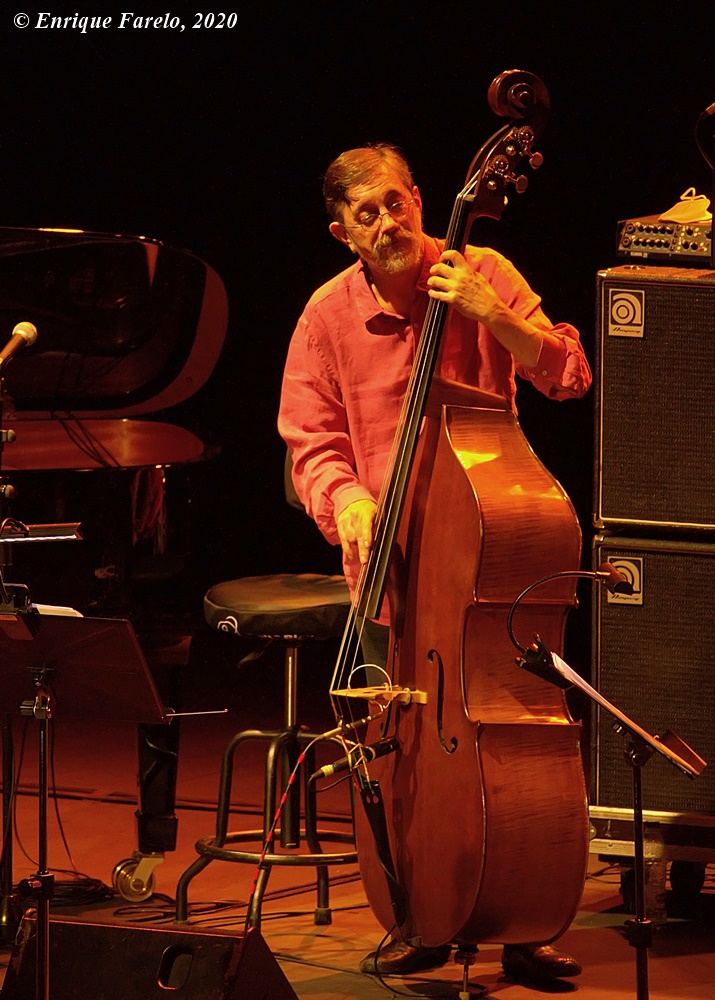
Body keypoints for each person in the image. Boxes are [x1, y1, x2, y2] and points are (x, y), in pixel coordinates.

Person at [278, 143, 591, 983]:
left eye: (394, 201)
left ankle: (520, 914)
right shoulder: (325, 316)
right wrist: (345, 502)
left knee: (515, 743)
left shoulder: (480, 266)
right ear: (342, 232)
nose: (387, 222)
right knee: (407, 757)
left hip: (493, 560)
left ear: (419, 197)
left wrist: (496, 316)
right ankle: (422, 909)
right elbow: (312, 442)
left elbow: (569, 375)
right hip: (396, 580)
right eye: (366, 214)